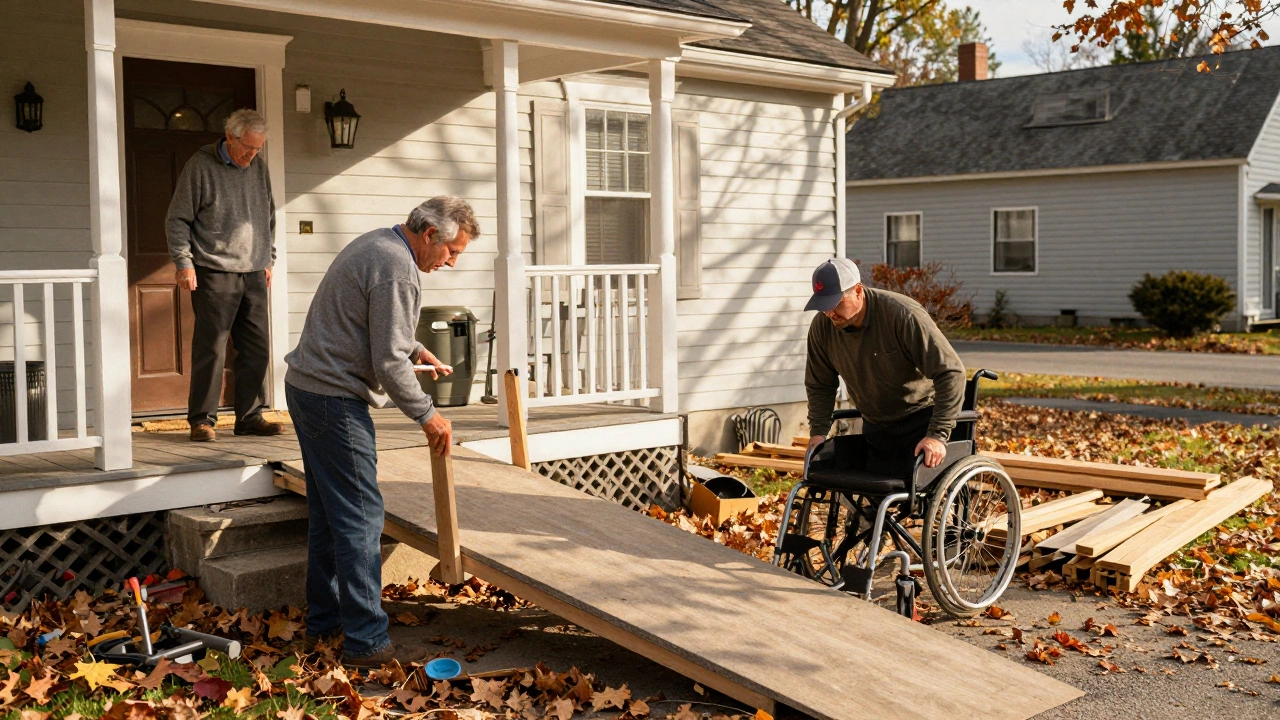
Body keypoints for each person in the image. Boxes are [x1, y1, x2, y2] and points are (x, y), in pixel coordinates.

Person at [283, 196, 478, 667]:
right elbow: (386, 360)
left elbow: (377, 329)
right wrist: (427, 414)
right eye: (451, 252)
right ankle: (366, 642)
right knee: (362, 517)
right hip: (332, 398)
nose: (450, 262)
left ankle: (325, 624)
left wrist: (416, 348)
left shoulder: (379, 245)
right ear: (429, 234)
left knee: (331, 517)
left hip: (306, 389)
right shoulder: (397, 267)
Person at [166, 108, 280, 442]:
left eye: (258, 148)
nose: (252, 154)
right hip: (214, 270)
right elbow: (177, 219)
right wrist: (183, 263)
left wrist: (268, 258)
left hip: (255, 271)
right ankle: (202, 420)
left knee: (256, 349)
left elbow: (268, 217)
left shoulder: (258, 168)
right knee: (212, 349)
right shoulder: (199, 167)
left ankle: (249, 417)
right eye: (248, 147)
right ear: (230, 136)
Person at [804, 258, 965, 479]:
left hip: (920, 422)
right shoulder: (822, 328)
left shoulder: (901, 314)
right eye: (823, 305)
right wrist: (818, 433)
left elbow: (951, 373)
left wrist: (937, 435)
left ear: (858, 291)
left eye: (836, 303)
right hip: (875, 428)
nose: (830, 313)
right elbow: (820, 384)